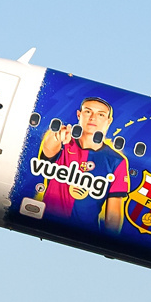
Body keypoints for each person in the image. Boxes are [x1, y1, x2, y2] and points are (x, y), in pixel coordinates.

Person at [37, 96, 128, 233]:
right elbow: (49, 148)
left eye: (101, 114)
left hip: (84, 233)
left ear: (108, 121)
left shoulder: (117, 161)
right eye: (88, 111)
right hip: (46, 222)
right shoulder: (64, 142)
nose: (93, 118)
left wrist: (109, 244)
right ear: (79, 114)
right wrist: (57, 137)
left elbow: (113, 215)